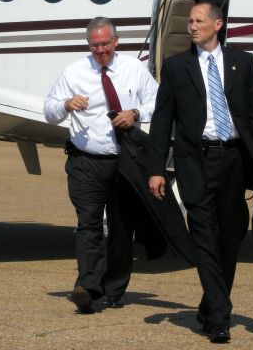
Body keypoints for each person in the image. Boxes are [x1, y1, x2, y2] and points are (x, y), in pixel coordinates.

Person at [147, 1, 253, 343]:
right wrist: (156, 168)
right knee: (203, 235)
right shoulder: (176, 67)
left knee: (230, 236)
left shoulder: (243, 63)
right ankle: (220, 316)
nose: (192, 25)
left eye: (199, 20)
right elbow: (161, 121)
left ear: (218, 24)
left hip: (234, 159)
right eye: (189, 21)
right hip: (195, 161)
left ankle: (208, 306)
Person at [44, 17, 158, 313]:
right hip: (86, 162)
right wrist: (66, 104)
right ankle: (88, 287)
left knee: (121, 229)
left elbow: (157, 103)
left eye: (105, 44)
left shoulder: (134, 69)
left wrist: (134, 112)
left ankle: (115, 288)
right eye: (94, 45)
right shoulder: (74, 72)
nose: (100, 50)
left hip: (124, 161)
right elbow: (49, 111)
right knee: (89, 224)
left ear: (116, 42)